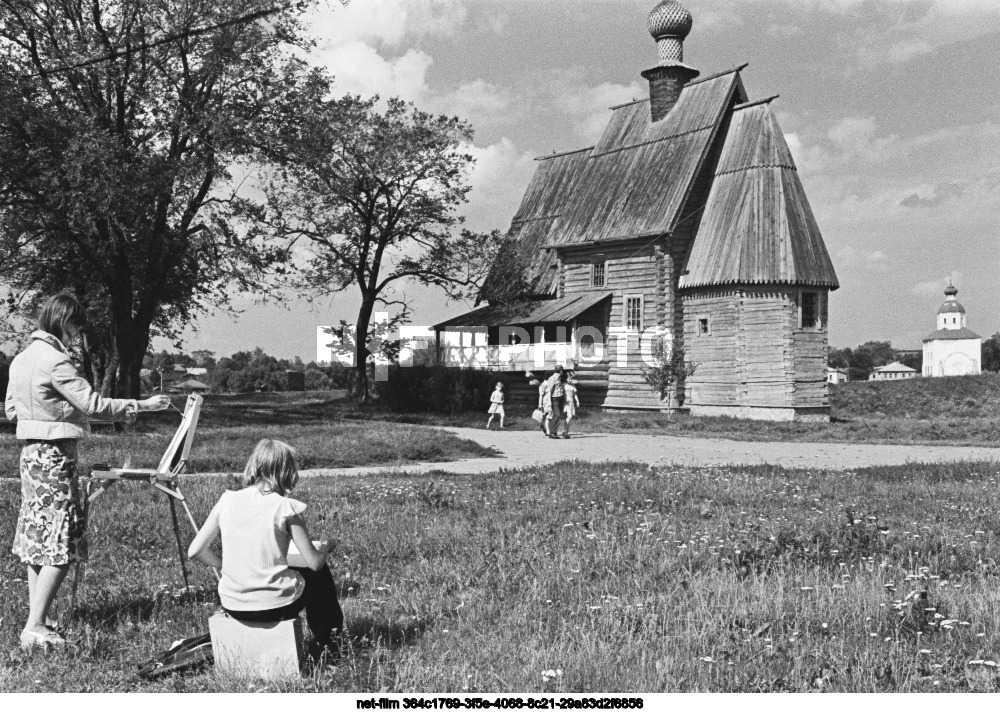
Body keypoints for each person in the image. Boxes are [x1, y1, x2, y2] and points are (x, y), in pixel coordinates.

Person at [6, 293, 171, 651]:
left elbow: (11, 411)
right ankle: (34, 626)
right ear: (63, 321)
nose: (78, 334)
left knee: (39, 541)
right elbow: (93, 404)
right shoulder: (56, 361)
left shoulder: (21, 360)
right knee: (63, 543)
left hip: (30, 456)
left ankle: (39, 622)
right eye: (76, 326)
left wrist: (50, 415)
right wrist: (142, 405)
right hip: (55, 457)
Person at [188, 439, 344, 658]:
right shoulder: (285, 507)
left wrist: (224, 565)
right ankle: (330, 648)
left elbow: (195, 551)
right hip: (275, 605)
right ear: (288, 471)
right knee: (320, 574)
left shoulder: (227, 500)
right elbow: (315, 562)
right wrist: (327, 546)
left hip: (233, 604)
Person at [546, 366, 568, 439]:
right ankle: (552, 432)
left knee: (558, 415)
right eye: (562, 371)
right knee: (557, 414)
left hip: (560, 398)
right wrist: (549, 402)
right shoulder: (552, 378)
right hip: (554, 398)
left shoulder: (559, 379)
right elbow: (549, 390)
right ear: (560, 371)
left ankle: (554, 432)